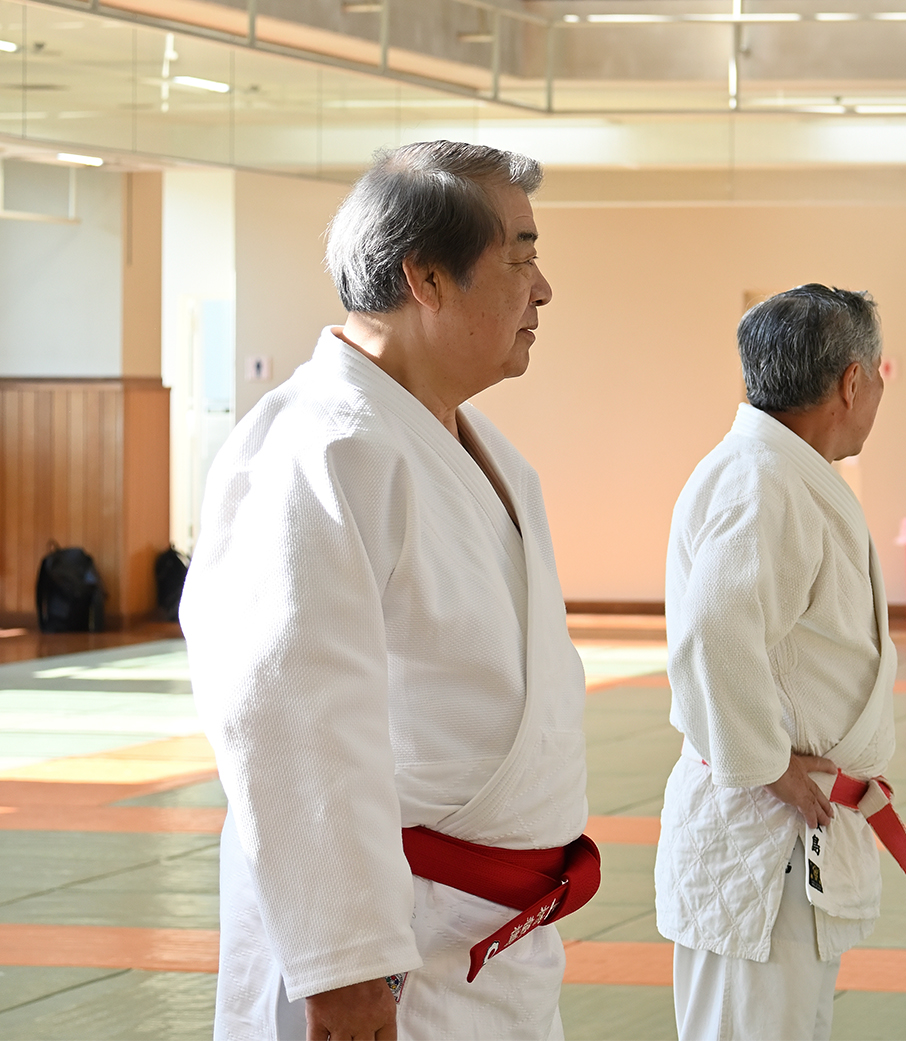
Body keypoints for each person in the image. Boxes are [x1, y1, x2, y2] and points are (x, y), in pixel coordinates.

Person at [183, 141, 598, 1040]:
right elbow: (291, 715)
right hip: (384, 952)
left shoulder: (481, 450)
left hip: (482, 936)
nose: (544, 287)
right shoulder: (319, 448)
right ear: (427, 277)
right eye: (521, 255)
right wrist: (343, 960)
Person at [659, 284, 906, 1041]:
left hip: (783, 830)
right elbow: (714, 630)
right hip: (761, 824)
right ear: (851, 380)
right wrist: (769, 763)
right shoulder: (763, 479)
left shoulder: (782, 470)